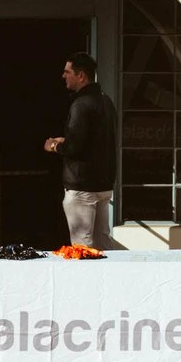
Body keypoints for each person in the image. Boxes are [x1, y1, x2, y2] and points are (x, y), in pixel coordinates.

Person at [43, 51, 120, 250]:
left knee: (82, 246)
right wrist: (67, 140)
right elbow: (97, 140)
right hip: (104, 185)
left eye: (67, 72)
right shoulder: (106, 102)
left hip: (82, 187)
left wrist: (54, 145)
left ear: (81, 76)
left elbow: (74, 148)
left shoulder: (81, 104)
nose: (63, 76)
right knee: (103, 243)